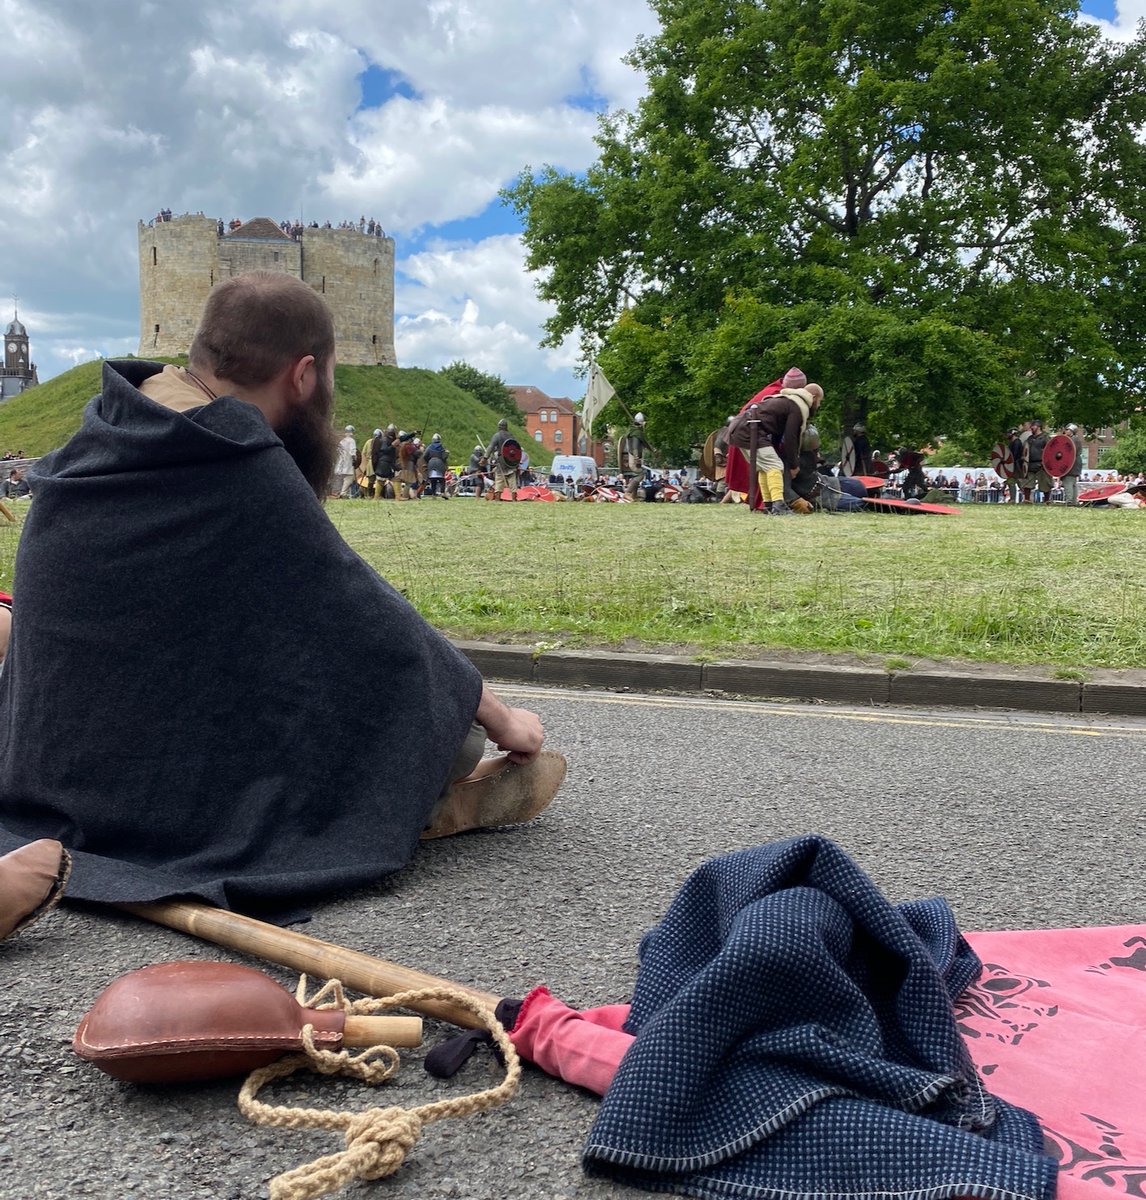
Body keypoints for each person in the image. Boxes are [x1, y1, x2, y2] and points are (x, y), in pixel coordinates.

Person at [0, 271, 566, 917]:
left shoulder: (103, 430)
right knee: (445, 726)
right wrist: (498, 715)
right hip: (148, 799)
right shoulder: (231, 456)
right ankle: (424, 807)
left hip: (41, 772)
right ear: (303, 375)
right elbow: (370, 616)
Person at [726, 370, 823, 515]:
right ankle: (779, 506)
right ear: (814, 397)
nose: (819, 405)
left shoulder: (787, 400)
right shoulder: (798, 406)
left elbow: (777, 433)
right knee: (775, 466)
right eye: (820, 401)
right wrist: (794, 465)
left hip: (741, 428)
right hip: (749, 430)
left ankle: (769, 504)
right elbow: (791, 438)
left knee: (765, 468)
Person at [487, 419, 519, 501]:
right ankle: (514, 498)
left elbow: (491, 447)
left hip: (501, 461)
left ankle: (498, 498)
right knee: (512, 480)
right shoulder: (511, 435)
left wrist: (485, 457)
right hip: (510, 462)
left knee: (499, 480)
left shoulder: (497, 436)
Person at [1061, 424, 1084, 505]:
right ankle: (1073, 501)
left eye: (1067, 430)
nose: (1066, 431)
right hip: (1075, 463)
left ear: (1071, 431)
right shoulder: (1075, 439)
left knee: (1068, 482)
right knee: (1073, 483)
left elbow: (1067, 452)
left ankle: (1070, 501)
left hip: (1071, 463)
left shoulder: (1072, 440)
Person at [332, 425, 358, 498]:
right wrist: (354, 459)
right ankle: (343, 493)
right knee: (349, 478)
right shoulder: (351, 441)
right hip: (348, 462)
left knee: (340, 478)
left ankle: (337, 492)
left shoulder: (342, 441)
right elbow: (352, 451)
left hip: (341, 463)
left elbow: (338, 451)